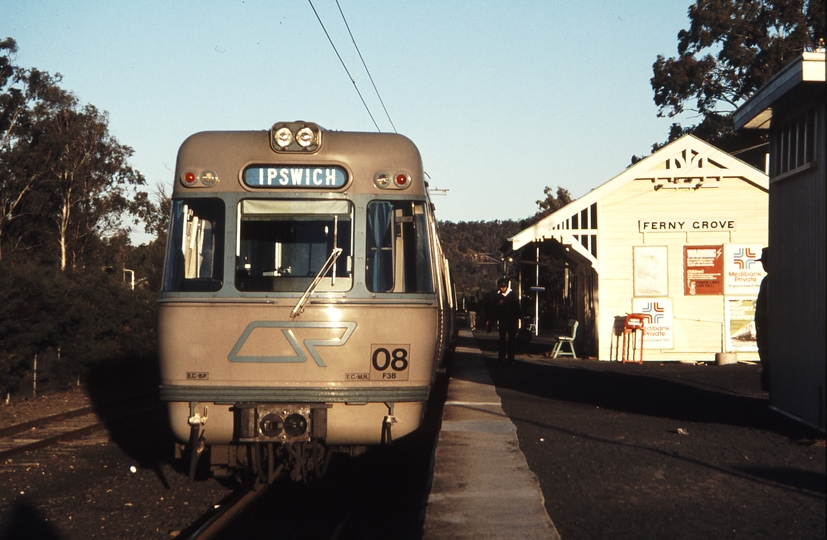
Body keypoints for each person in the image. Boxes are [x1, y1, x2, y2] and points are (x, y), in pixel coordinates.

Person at [494, 278, 520, 365]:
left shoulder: (512, 295)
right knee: (502, 340)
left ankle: (511, 359)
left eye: (504, 286)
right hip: (503, 320)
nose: (502, 288)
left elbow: (517, 308)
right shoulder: (497, 295)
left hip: (512, 321)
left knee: (511, 340)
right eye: (501, 287)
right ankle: (501, 358)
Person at [755, 248, 770, 391]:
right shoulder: (766, 281)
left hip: (768, 328)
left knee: (768, 356)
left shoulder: (771, 281)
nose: (763, 265)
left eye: (764, 261)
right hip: (764, 327)